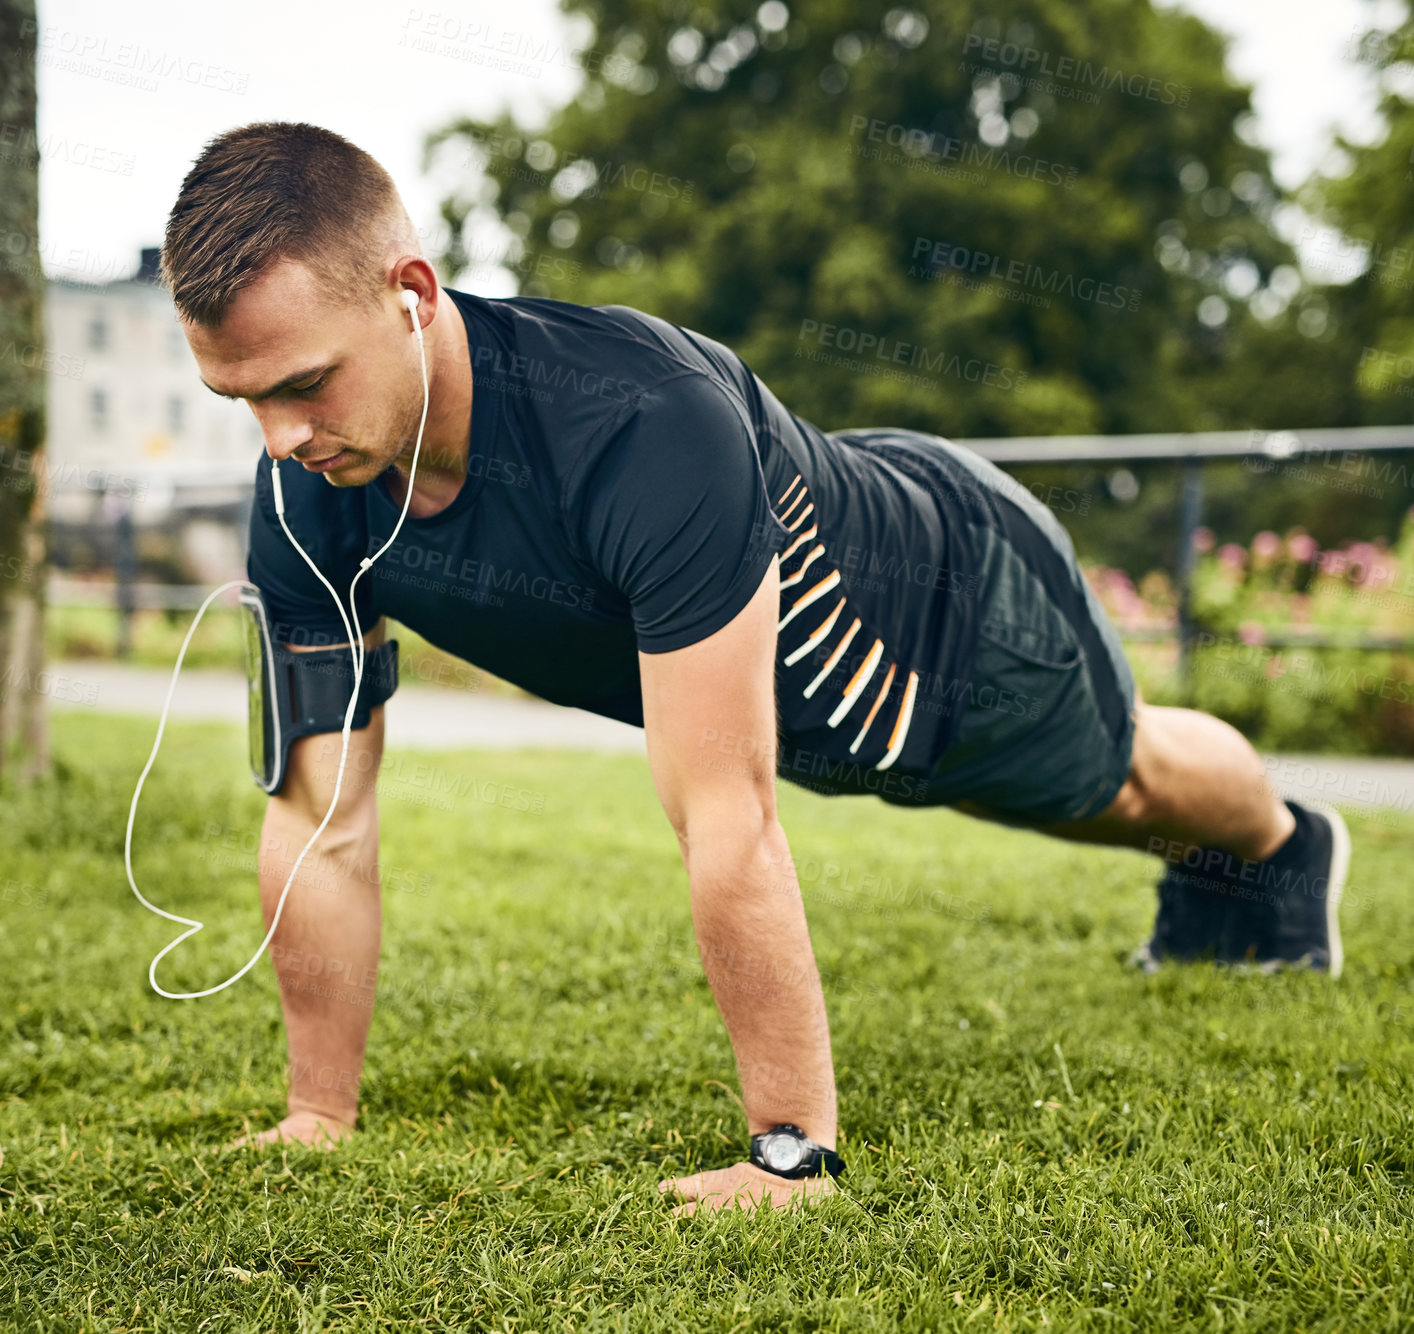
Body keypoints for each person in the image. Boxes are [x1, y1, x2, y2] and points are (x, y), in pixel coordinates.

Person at [162, 122, 1349, 1216]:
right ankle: (1223, 867)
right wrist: (316, 1113)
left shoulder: (637, 420)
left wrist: (790, 1149)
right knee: (1084, 797)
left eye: (304, 384)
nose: (280, 438)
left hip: (947, 614)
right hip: (810, 704)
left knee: (1121, 783)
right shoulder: (306, 491)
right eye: (243, 400)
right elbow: (322, 815)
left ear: (411, 293)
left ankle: (1281, 847)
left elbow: (722, 811)